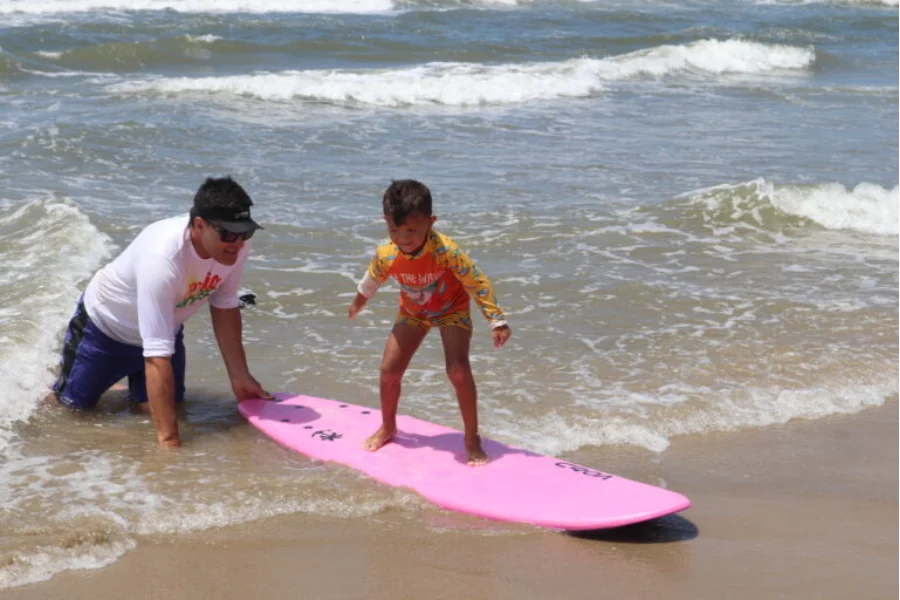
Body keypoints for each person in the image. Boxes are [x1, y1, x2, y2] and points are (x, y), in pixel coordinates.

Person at [49, 176, 271, 448]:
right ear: (200, 225)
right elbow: (157, 356)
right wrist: (170, 446)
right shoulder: (163, 260)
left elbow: (224, 303)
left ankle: (125, 385)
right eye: (228, 233)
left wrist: (240, 376)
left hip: (165, 329)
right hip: (105, 329)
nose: (237, 242)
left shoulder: (236, 247)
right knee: (71, 412)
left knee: (164, 409)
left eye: (245, 232)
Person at [348, 179, 512, 466]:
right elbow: (372, 277)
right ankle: (388, 426)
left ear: (431, 222)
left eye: (412, 230)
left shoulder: (446, 252)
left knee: (457, 370)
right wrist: (359, 301)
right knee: (389, 370)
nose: (403, 238)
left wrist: (496, 321)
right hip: (413, 312)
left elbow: (477, 283)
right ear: (386, 222)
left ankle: (472, 438)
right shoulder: (387, 253)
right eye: (394, 230)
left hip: (452, 310)